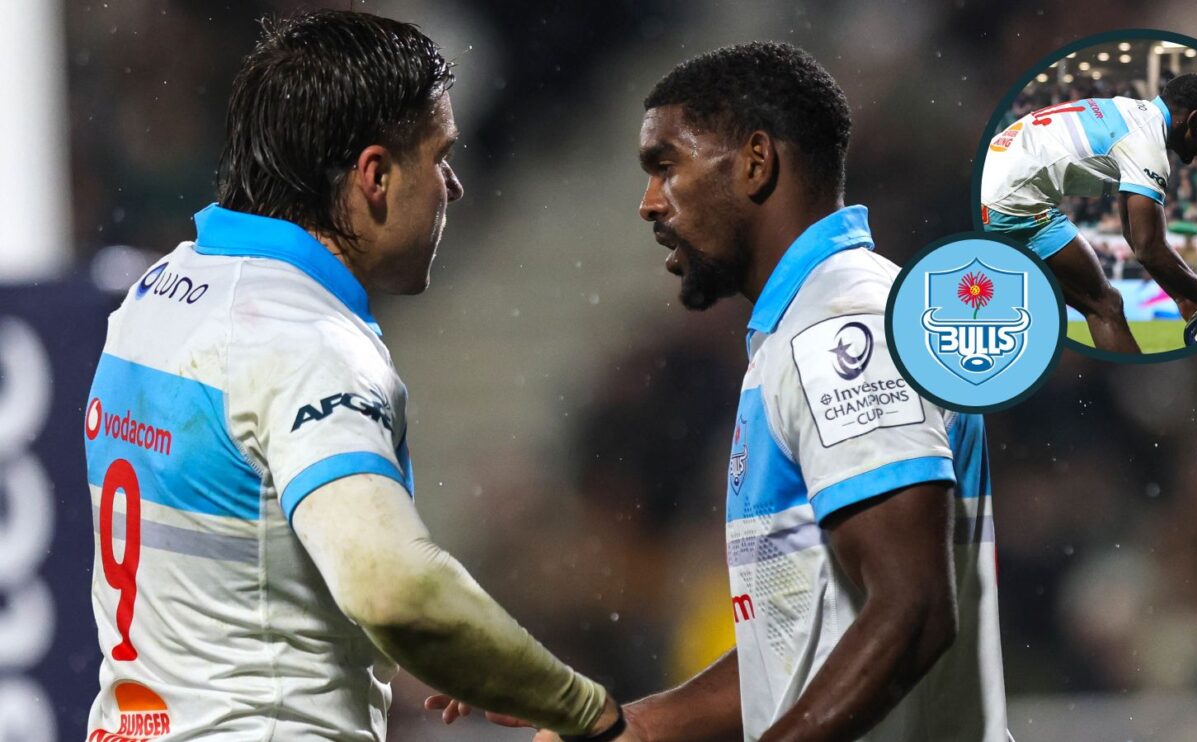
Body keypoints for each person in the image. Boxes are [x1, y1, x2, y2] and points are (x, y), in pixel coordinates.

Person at [82, 10, 633, 741]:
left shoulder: (161, 293)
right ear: (375, 175)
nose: (454, 186)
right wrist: (578, 707)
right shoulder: (307, 341)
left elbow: (249, 558)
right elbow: (392, 585)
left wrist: (450, 647)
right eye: (439, 157)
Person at [438, 41, 1009, 742]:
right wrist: (625, 728)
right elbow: (801, 652)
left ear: (755, 162)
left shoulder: (842, 329)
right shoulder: (806, 329)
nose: (649, 203)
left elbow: (913, 611)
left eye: (666, 166)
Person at [980, 72, 1197, 353]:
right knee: (1105, 306)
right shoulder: (1147, 145)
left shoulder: (1129, 112)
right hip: (1008, 201)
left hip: (991, 178)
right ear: (1193, 119)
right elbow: (1149, 248)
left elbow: (1132, 234)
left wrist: (1186, 300)